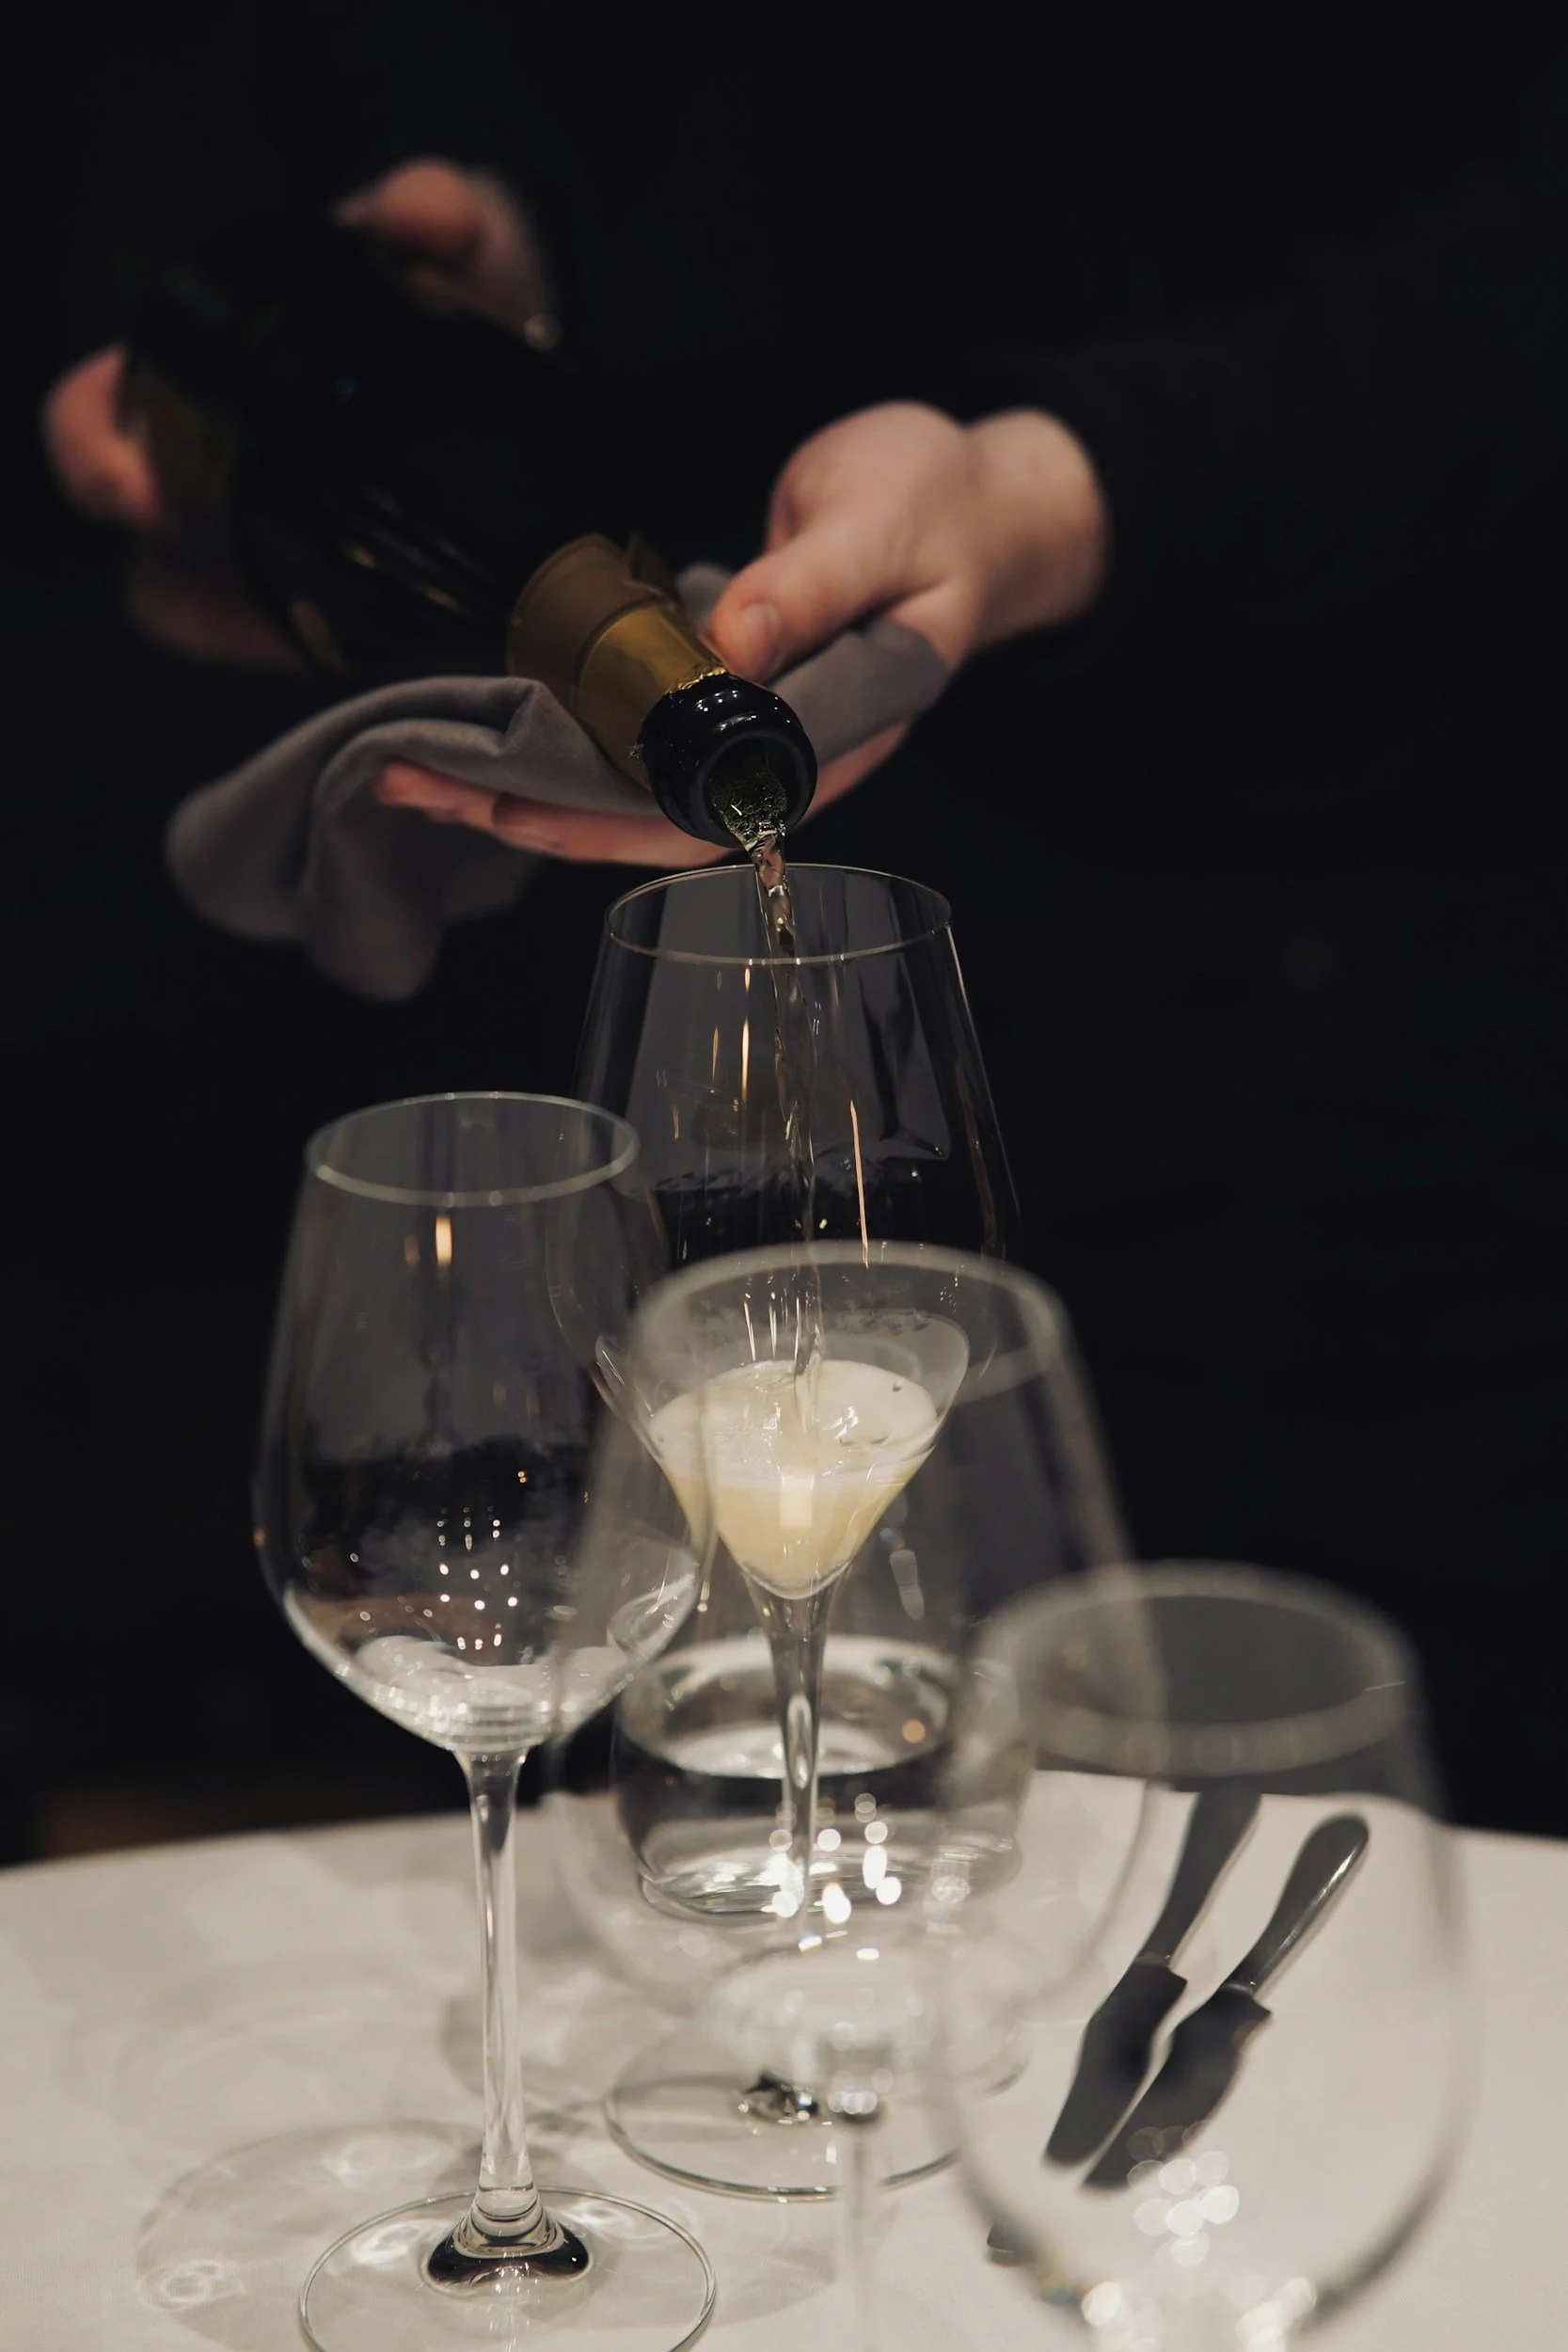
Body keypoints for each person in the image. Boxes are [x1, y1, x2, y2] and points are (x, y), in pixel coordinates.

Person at [40, 2, 1568, 1829]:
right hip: (957, 804)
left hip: (1421, 886)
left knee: (1358, 1789)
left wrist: (1053, 487)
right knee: (961, 1788)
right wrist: (526, 233)